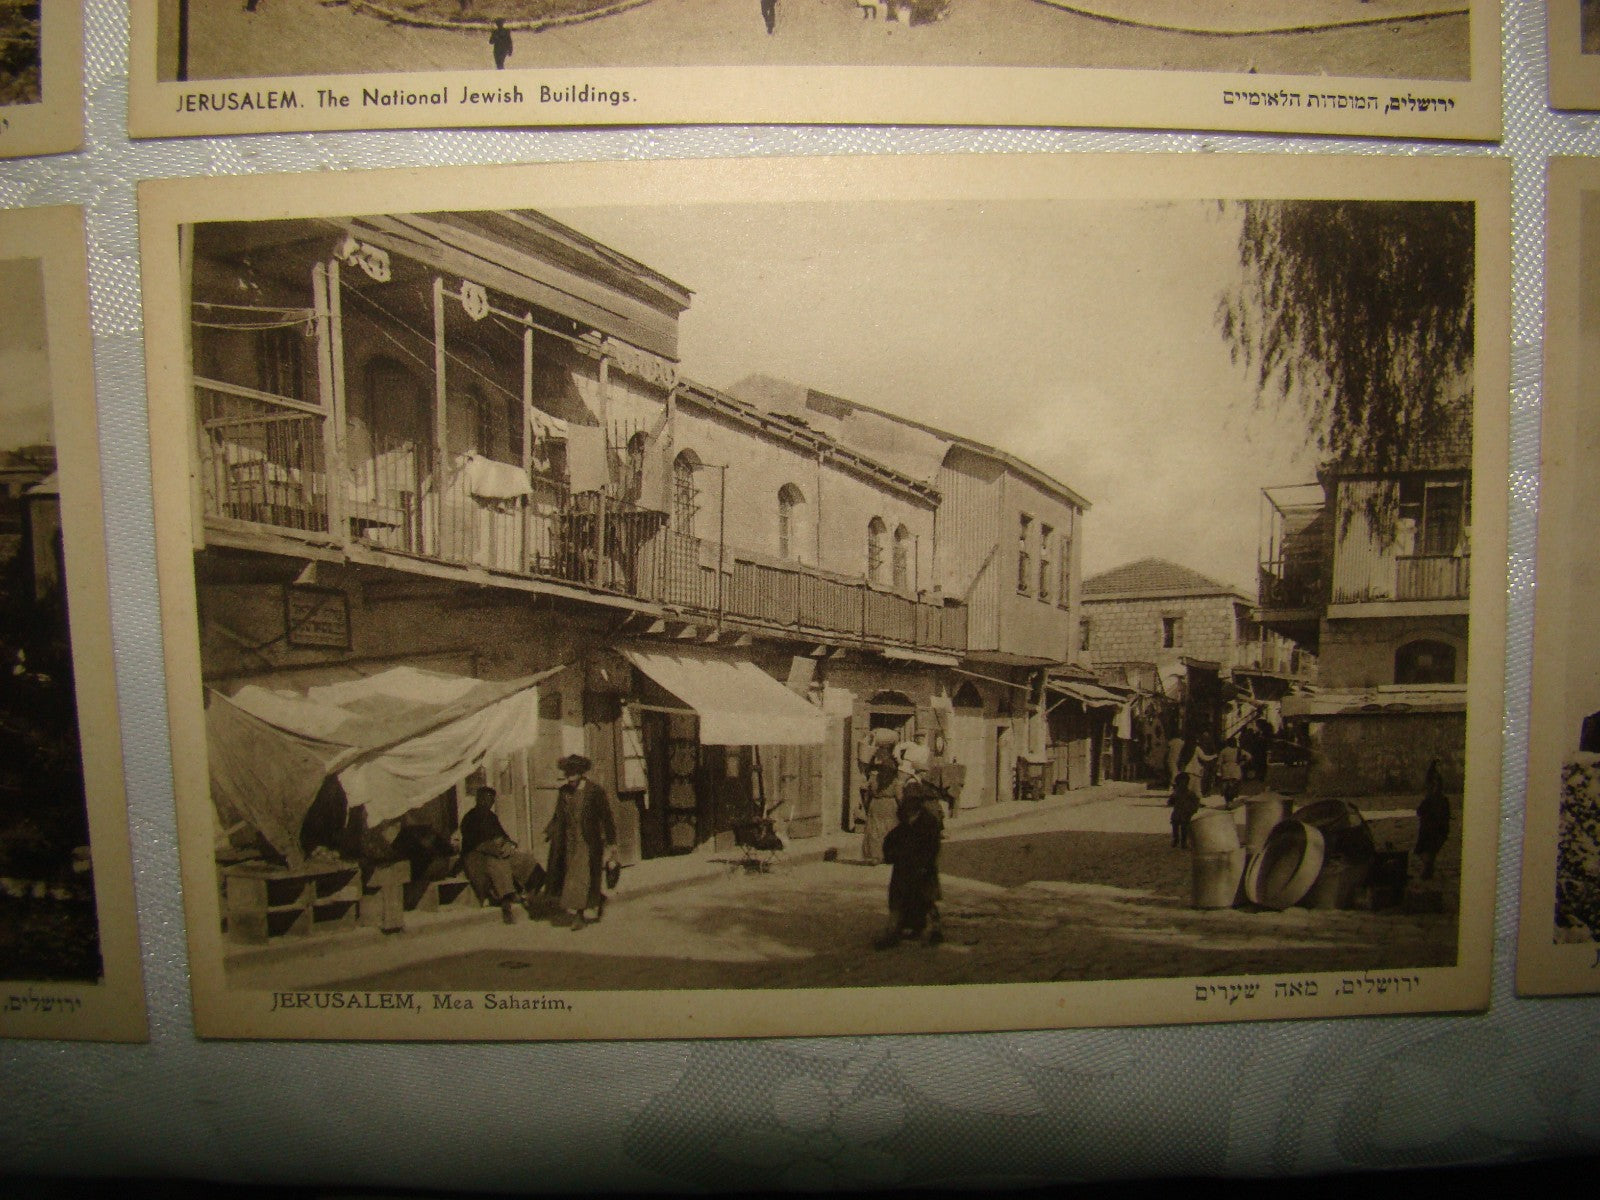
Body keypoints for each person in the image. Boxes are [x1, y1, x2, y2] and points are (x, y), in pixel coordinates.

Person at [544, 754, 619, 930]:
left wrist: (612, 842)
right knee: (572, 875)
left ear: (581, 774)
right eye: (567, 775)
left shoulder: (595, 791)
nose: (570, 779)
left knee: (579, 876)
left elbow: (606, 817)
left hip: (588, 841)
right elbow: (558, 815)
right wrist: (550, 831)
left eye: (573, 775)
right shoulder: (564, 792)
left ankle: (578, 915)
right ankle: (597, 899)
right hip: (569, 840)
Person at [876, 759, 945, 948]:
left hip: (922, 868)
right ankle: (893, 932)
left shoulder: (928, 822)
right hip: (904, 867)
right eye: (908, 802)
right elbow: (892, 839)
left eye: (913, 802)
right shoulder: (905, 820)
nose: (909, 805)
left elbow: (933, 846)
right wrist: (891, 853)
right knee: (898, 900)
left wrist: (926, 864)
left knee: (926, 900)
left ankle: (935, 929)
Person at [459, 787, 542, 923]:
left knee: (524, 859)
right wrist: (497, 849)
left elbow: (503, 836)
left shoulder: (491, 817)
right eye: (485, 799)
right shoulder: (470, 818)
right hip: (476, 856)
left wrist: (508, 844)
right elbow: (476, 844)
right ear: (478, 799)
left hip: (496, 852)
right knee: (499, 863)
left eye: (491, 800)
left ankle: (531, 894)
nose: (488, 803)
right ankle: (506, 903)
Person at [860, 730, 900, 864]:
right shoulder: (894, 777)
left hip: (876, 804)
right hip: (891, 804)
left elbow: (868, 791)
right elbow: (898, 793)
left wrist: (866, 805)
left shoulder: (874, 774)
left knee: (875, 830)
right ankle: (891, 855)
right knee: (891, 829)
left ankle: (875, 856)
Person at [1414, 758, 1450, 880]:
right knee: (1429, 852)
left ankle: (1428, 871)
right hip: (1437, 830)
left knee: (1426, 852)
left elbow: (1420, 811)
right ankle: (1428, 871)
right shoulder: (1441, 800)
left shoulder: (1432, 799)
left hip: (1430, 830)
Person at [1216, 737, 1251, 806]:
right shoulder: (1239, 750)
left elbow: (1219, 762)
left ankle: (1228, 802)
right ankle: (1231, 801)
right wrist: (1243, 762)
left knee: (1226, 787)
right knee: (1234, 786)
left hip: (1226, 769)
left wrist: (1218, 771)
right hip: (1236, 769)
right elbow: (1249, 756)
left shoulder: (1224, 751)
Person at [1169, 771, 1200, 849]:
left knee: (1183, 828)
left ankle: (1182, 842)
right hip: (1180, 812)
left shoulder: (1188, 793)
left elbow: (1196, 802)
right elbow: (1170, 801)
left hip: (1184, 812)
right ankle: (1177, 840)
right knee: (1177, 827)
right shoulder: (1184, 793)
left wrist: (1193, 809)